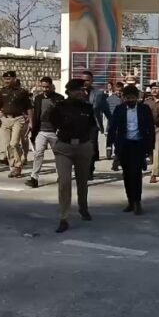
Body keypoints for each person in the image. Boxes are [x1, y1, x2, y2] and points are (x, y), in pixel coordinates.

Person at [49, 79, 99, 233]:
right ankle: (64, 217)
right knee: (64, 182)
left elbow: (93, 127)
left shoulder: (87, 108)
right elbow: (51, 123)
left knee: (82, 181)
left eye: (83, 90)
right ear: (69, 91)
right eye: (78, 90)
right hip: (64, 147)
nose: (81, 93)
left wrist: (91, 144)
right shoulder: (60, 107)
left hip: (83, 146)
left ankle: (83, 208)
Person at [108, 85, 155, 215]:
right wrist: (109, 146)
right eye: (128, 98)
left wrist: (150, 148)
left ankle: (137, 202)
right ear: (124, 98)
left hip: (138, 145)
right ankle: (130, 201)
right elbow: (113, 128)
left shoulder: (144, 109)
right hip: (124, 145)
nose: (130, 100)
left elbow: (150, 129)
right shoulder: (119, 109)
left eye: (133, 98)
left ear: (137, 97)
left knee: (136, 174)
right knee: (127, 174)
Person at [26, 77, 64, 188]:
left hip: (54, 132)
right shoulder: (38, 98)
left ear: (51, 86)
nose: (45, 89)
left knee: (59, 155)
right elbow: (35, 114)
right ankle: (34, 178)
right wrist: (31, 127)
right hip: (41, 131)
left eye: (47, 87)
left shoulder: (59, 98)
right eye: (43, 87)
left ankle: (61, 176)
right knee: (38, 154)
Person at [0, 70, 33, 178]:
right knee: (7, 145)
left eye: (9, 79)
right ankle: (13, 167)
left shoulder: (22, 92)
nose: (7, 81)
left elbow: (29, 107)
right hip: (5, 120)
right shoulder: (2, 91)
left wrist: (31, 121)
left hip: (18, 119)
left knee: (14, 143)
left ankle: (18, 165)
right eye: (5, 79)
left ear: (14, 79)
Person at [81, 70, 112, 180]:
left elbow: (106, 109)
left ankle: (89, 170)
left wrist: (112, 122)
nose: (85, 82)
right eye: (83, 80)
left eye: (87, 80)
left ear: (92, 81)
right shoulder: (76, 93)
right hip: (79, 125)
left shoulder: (98, 94)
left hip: (93, 125)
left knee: (91, 147)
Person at [106, 82, 124, 164]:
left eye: (120, 91)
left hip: (122, 123)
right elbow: (106, 111)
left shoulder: (125, 99)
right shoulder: (109, 99)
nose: (119, 92)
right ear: (114, 90)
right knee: (110, 138)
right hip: (112, 122)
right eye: (117, 90)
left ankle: (118, 157)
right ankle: (109, 152)